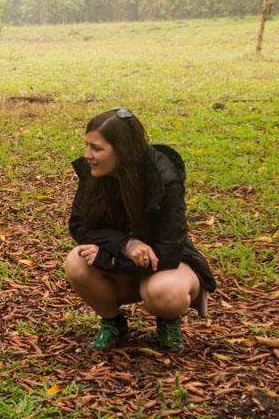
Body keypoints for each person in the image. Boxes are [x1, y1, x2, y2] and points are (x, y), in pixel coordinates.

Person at [65, 108, 216, 353]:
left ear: (122, 151)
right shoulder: (92, 173)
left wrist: (109, 259)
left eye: (97, 148)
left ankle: (168, 322)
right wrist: (126, 245)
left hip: (167, 267)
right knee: (76, 261)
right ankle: (114, 324)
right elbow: (79, 226)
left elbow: (169, 251)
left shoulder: (165, 177)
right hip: (123, 260)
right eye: (87, 145)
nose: (87, 155)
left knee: (164, 293)